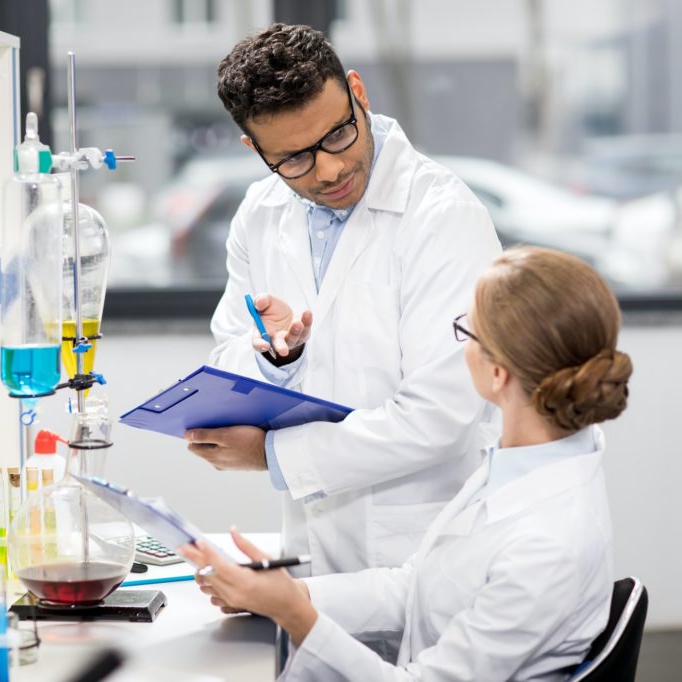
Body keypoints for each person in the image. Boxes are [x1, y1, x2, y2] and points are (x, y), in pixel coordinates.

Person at [180, 246, 634, 681]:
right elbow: (415, 585)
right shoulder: (530, 460)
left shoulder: (547, 545)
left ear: (498, 375)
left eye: (466, 331)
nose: (457, 344)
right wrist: (290, 594)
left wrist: (294, 613)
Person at [184, 22, 502, 577]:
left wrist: (270, 456)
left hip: (425, 547)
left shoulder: (444, 217)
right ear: (254, 149)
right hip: (312, 545)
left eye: (337, 136)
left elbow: (440, 414)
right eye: (294, 158)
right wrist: (274, 356)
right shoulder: (260, 214)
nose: (328, 169)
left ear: (358, 92)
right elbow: (228, 357)